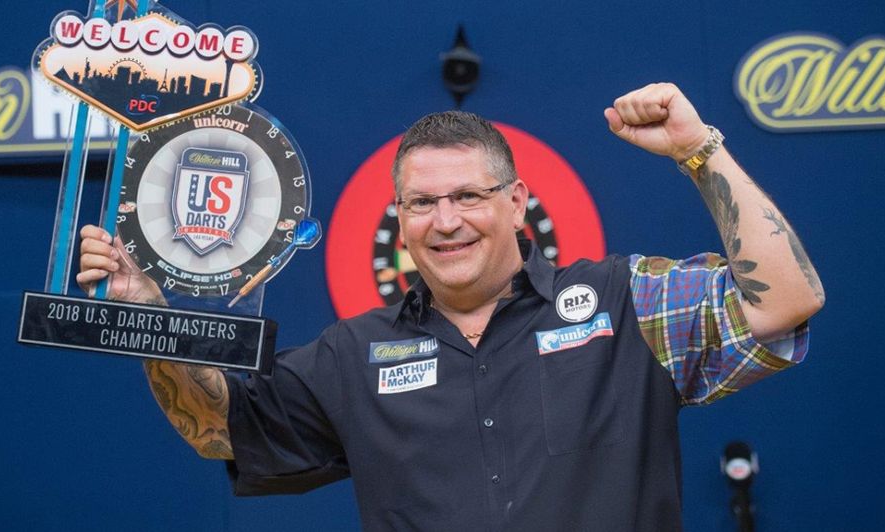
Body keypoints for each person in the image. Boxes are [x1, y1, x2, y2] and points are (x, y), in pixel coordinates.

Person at [78, 83, 824, 531]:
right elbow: (217, 429)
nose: (446, 221)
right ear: (399, 220)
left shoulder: (623, 301)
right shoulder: (352, 356)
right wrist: (151, 316)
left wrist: (698, 149)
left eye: (468, 195)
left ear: (516, 203)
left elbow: (787, 301)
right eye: (421, 203)